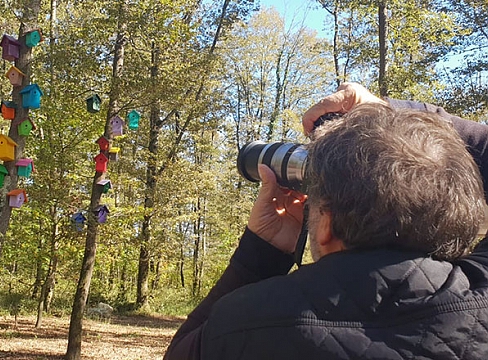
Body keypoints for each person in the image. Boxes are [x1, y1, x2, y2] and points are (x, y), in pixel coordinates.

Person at [164, 82, 488, 360]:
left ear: (326, 223)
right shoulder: (480, 307)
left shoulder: (244, 324)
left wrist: (258, 257)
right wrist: (392, 113)